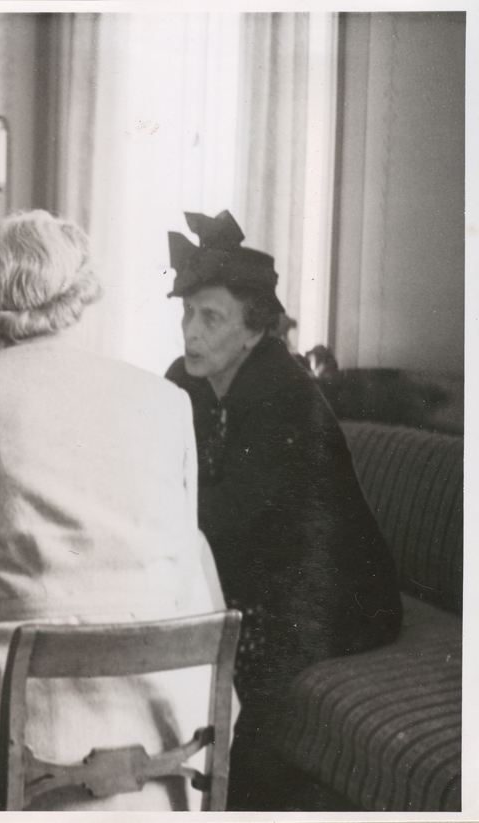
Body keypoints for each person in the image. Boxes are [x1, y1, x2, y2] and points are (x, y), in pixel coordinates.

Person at [0, 211, 227, 811]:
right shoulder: (167, 400)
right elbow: (184, 571)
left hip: (6, 756)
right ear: (79, 294)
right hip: (164, 758)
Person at [163, 210, 403, 811]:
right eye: (187, 313)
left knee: (233, 678)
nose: (191, 332)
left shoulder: (284, 394)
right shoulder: (186, 381)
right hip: (254, 574)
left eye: (211, 317)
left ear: (253, 332)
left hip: (334, 595)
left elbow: (229, 516)